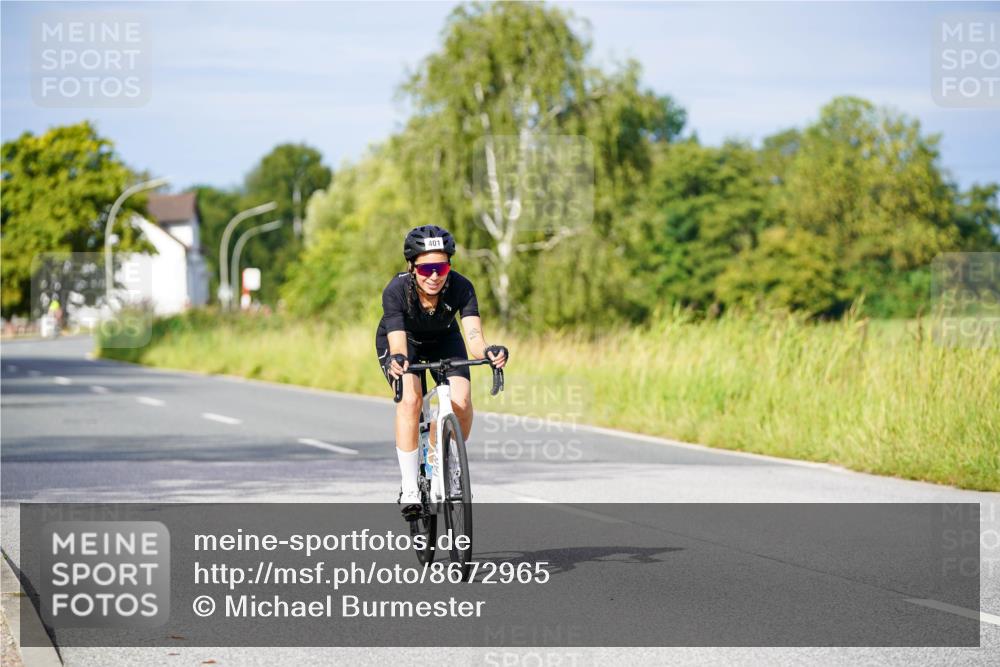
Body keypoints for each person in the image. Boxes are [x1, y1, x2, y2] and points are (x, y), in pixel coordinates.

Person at [376, 225, 508, 520]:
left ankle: (444, 461)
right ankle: (410, 486)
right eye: (426, 269)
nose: (434, 276)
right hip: (403, 341)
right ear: (412, 267)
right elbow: (397, 341)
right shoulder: (396, 291)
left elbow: (474, 336)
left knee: (461, 402)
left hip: (445, 339)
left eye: (441, 266)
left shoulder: (462, 287)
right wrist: (398, 360)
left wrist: (488, 351)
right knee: (410, 400)